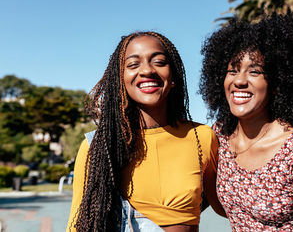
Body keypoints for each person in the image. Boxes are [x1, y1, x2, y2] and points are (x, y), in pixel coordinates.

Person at [67, 31, 225, 232]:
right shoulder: (99, 146)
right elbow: (78, 225)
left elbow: (226, 204)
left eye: (159, 62)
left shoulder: (201, 137)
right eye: (133, 64)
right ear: (120, 80)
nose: (147, 71)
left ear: (174, 76)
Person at [199, 12, 293, 231]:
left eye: (255, 71)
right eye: (232, 71)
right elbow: (224, 206)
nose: (240, 80)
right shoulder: (219, 136)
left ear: (276, 83)